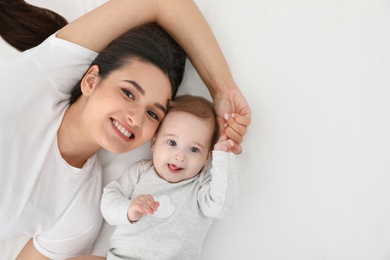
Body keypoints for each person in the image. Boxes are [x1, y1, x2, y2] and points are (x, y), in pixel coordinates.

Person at [0, 0, 251, 258]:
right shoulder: (45, 76)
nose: (136, 118)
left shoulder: (78, 212)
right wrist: (223, 89)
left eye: (153, 113)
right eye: (128, 93)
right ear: (90, 81)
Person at [101, 94, 239, 260]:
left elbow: (223, 207)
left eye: (194, 149)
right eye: (172, 143)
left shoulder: (201, 186)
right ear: (154, 142)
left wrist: (223, 158)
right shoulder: (141, 172)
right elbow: (109, 200)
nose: (180, 157)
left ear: (207, 158)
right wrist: (129, 210)